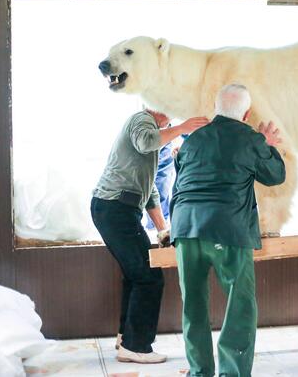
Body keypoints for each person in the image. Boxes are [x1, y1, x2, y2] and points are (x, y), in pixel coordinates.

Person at [170, 83, 286, 377]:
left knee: (193, 305)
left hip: (185, 230)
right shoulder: (250, 138)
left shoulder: (193, 139)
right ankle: (232, 373)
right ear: (246, 113)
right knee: (239, 305)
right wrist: (267, 144)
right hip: (228, 230)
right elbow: (274, 176)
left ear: (216, 107)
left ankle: (199, 372)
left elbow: (180, 178)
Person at [91, 109, 208, 364]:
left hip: (115, 209)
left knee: (136, 275)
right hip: (115, 209)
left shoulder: (152, 133)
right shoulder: (143, 121)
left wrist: (162, 229)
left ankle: (127, 338)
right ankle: (136, 346)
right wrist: (182, 128)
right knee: (149, 276)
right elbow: (146, 141)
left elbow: (150, 189)